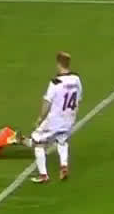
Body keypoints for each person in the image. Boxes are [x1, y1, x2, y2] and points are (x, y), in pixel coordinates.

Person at [28, 51, 82, 183]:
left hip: (55, 120)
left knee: (37, 142)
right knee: (62, 140)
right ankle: (64, 166)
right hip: (69, 118)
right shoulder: (76, 79)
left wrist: (40, 118)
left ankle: (43, 175)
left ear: (58, 64)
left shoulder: (55, 82)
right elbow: (79, 98)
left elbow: (47, 102)